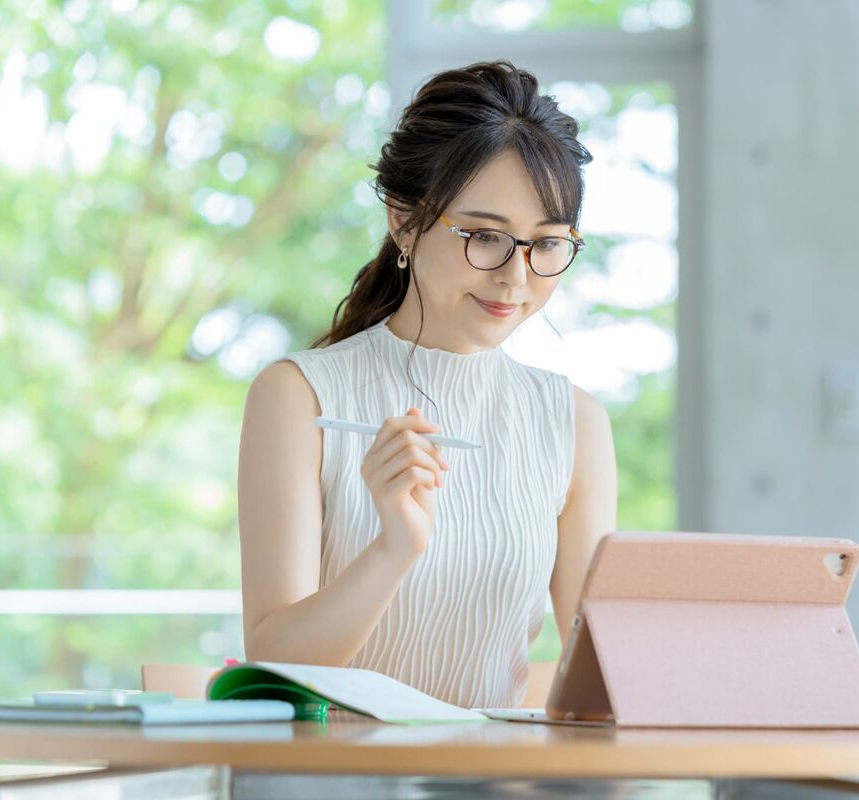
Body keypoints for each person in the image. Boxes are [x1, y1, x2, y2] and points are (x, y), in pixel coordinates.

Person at [236, 61, 618, 709]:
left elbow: (603, 670)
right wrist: (394, 548)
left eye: (547, 245)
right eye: (485, 236)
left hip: (493, 782)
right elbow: (275, 663)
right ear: (404, 221)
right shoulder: (299, 395)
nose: (516, 279)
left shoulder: (573, 422)